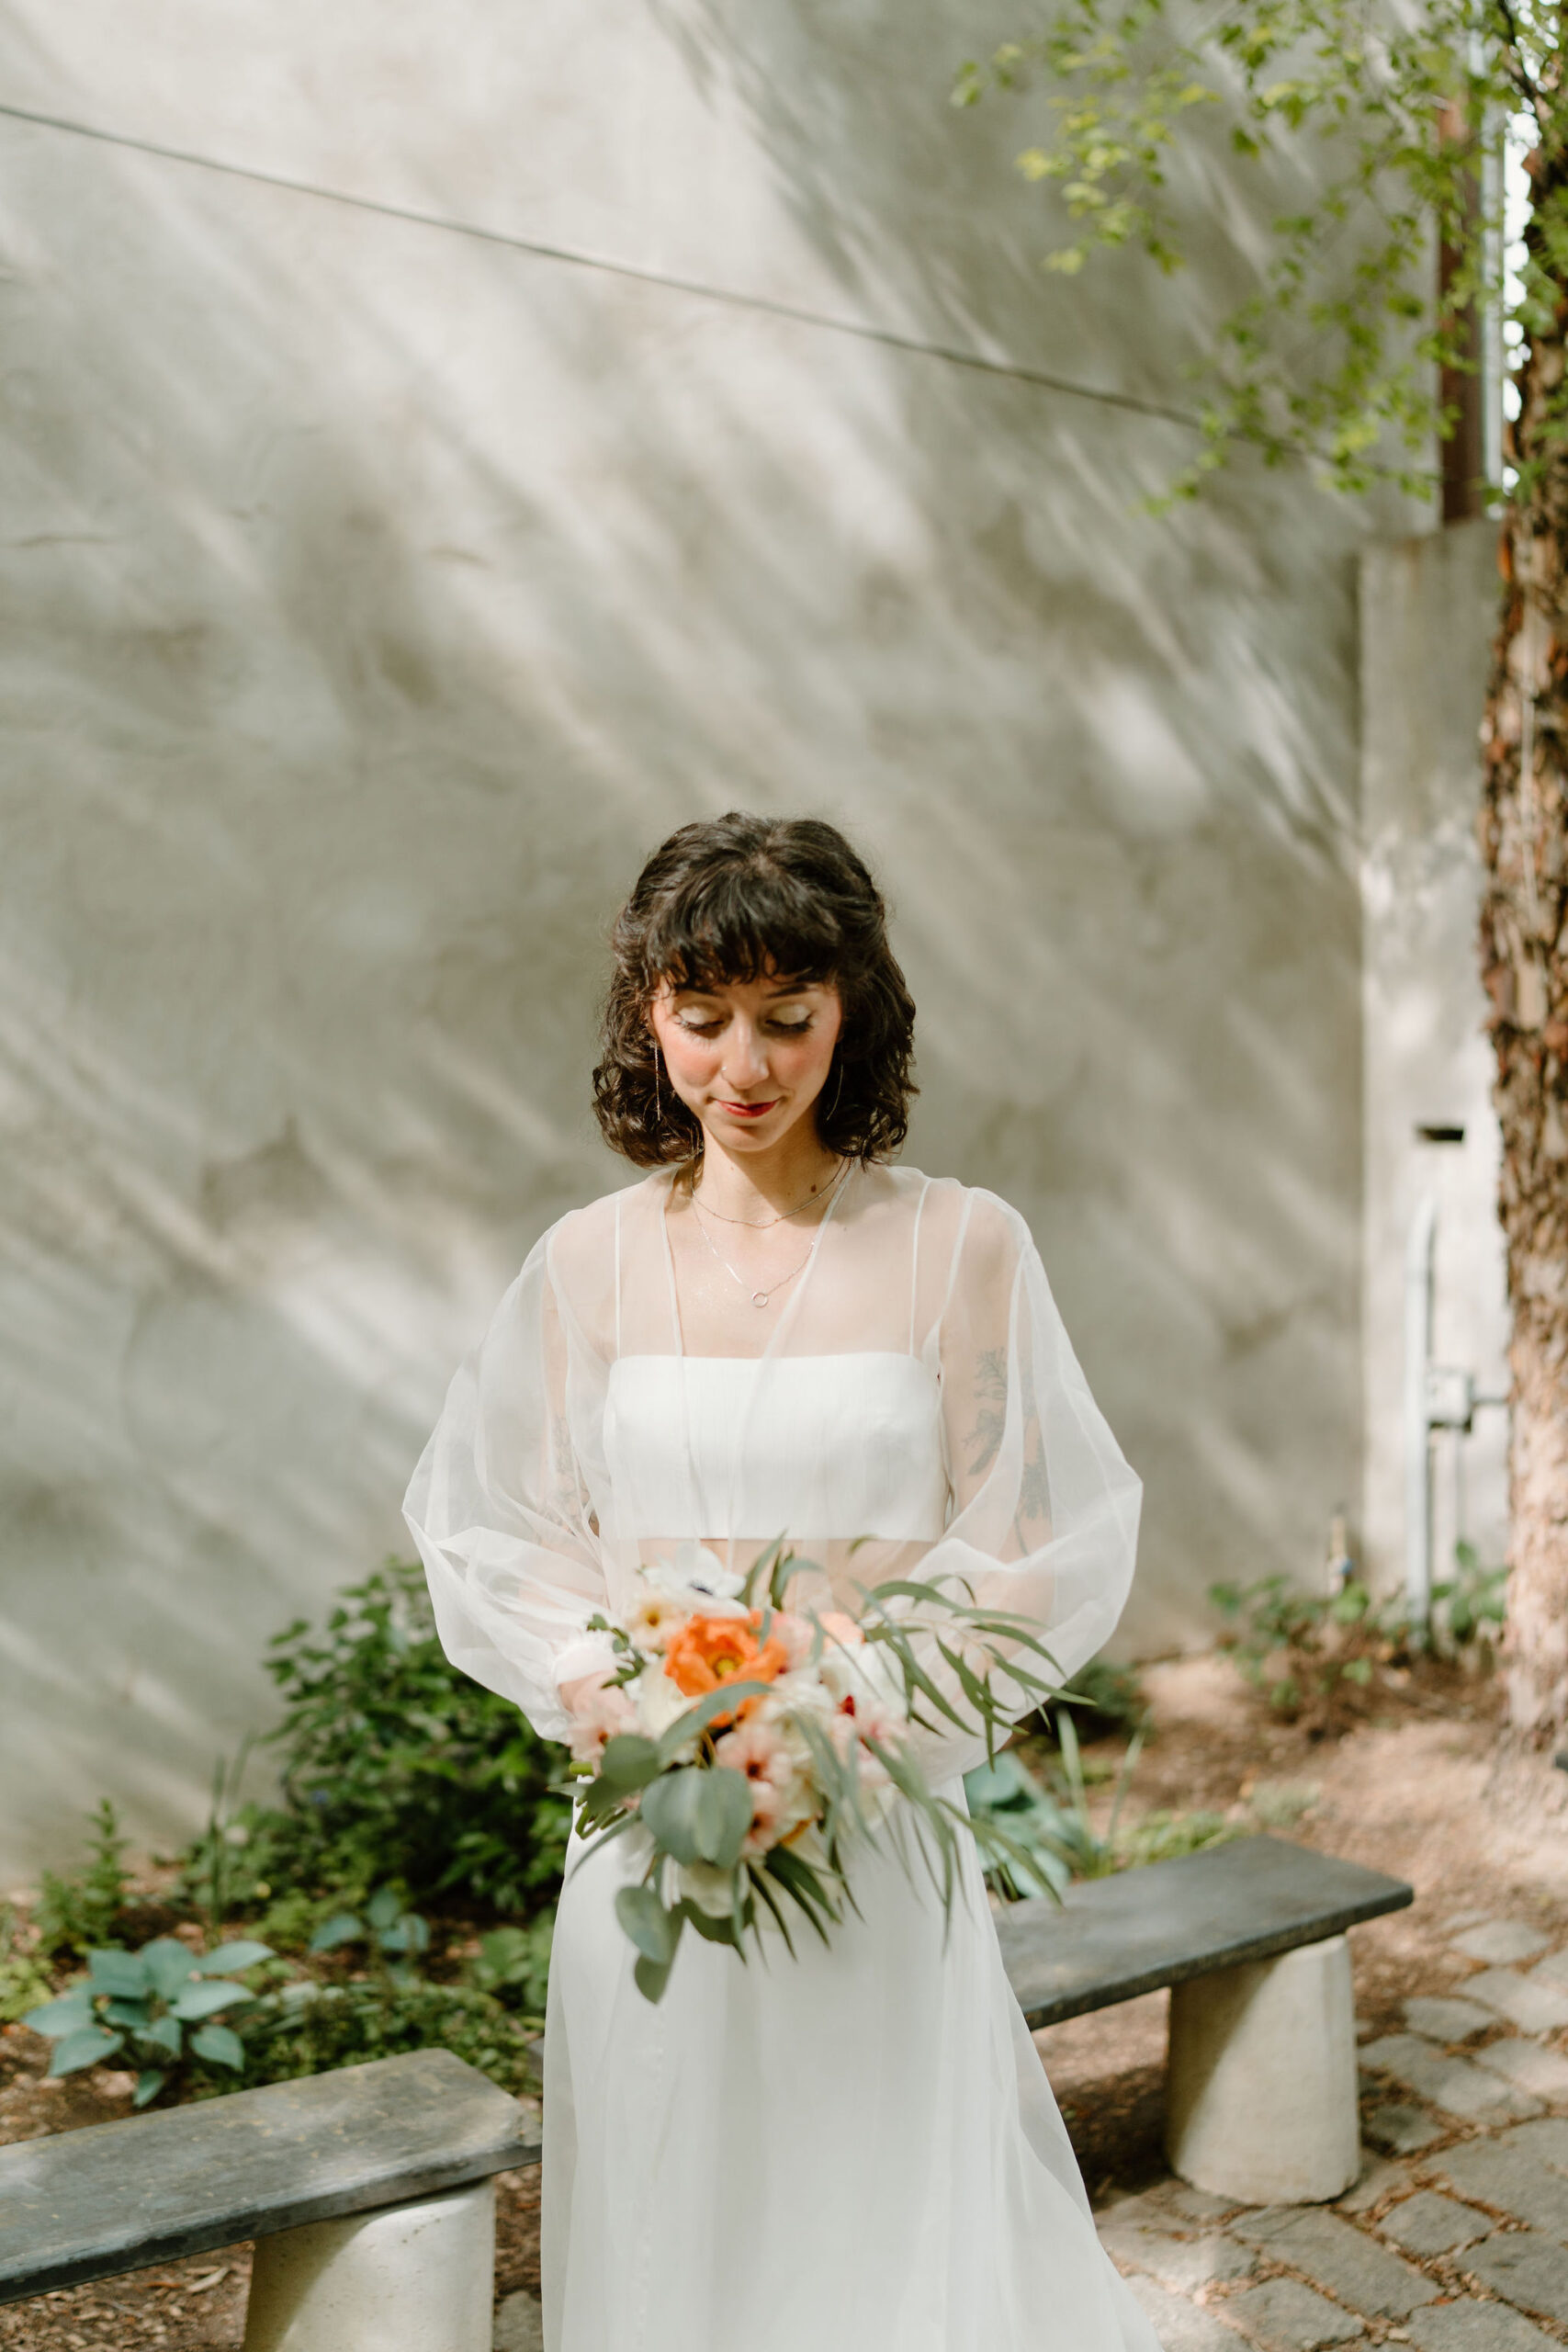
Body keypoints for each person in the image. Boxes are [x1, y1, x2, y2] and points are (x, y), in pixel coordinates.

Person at [405, 813, 1160, 2352]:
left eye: (786, 1018)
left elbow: (1029, 1530)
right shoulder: (587, 1263)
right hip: (657, 1819)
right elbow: (503, 1531)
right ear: (648, 1017)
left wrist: (852, 1698)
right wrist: (624, 1691)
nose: (742, 1064)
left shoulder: (964, 1246)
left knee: (874, 2211)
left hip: (870, 1809)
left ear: (851, 1012)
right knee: (678, 2194)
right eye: (702, 1018)